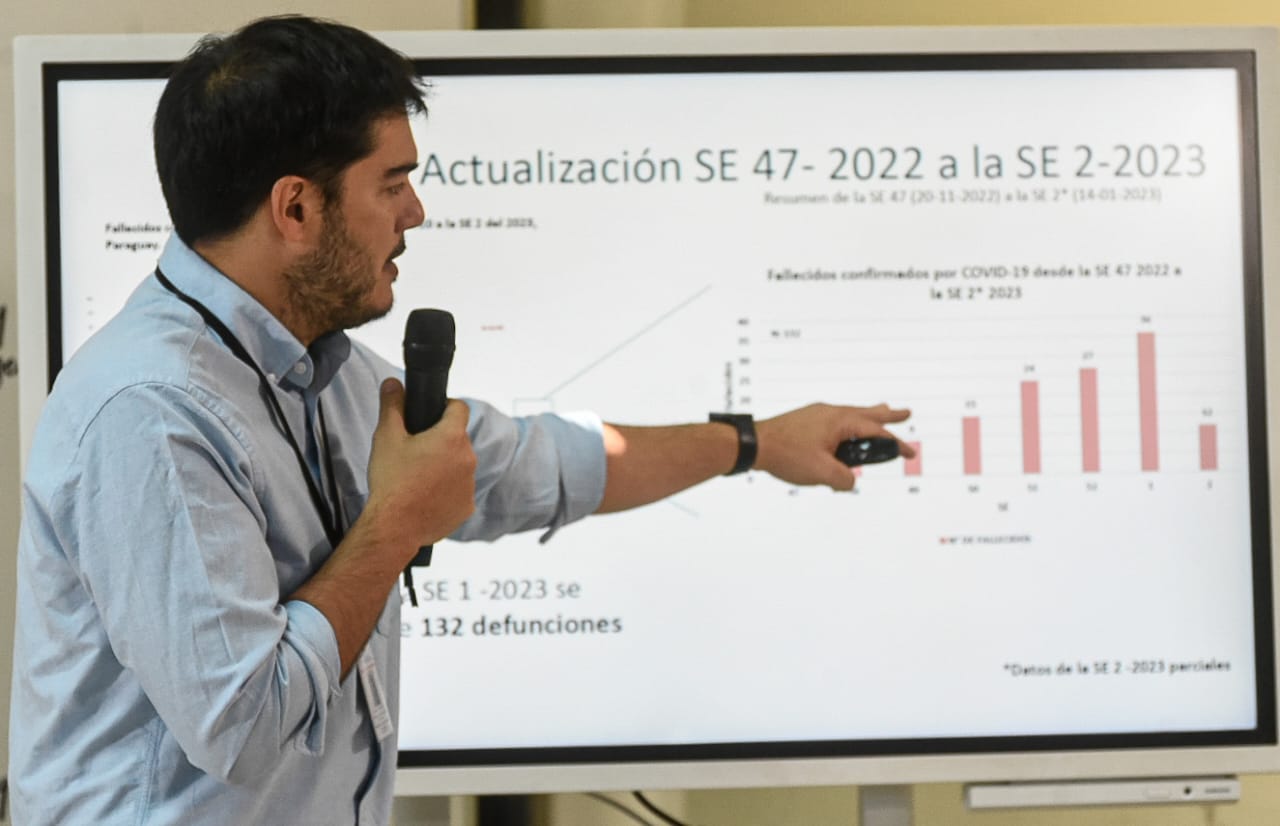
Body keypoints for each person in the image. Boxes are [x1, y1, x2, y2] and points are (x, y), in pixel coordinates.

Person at [8, 15, 913, 825]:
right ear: (296, 208)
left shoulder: (328, 373)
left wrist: (752, 443)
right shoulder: (152, 414)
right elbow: (242, 721)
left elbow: (541, 466)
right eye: (392, 183)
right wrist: (400, 519)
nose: (417, 213)